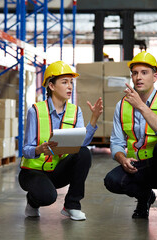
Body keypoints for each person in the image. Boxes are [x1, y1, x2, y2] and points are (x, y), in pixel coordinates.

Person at [103, 51, 157, 228]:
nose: (138, 77)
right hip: (138, 166)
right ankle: (145, 197)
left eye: (144, 72)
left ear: (155, 76)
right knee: (111, 181)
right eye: (135, 73)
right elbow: (116, 142)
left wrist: (141, 107)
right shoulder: (122, 105)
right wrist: (122, 158)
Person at [19, 60, 103, 221]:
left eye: (71, 82)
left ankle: (72, 205)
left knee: (84, 153)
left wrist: (93, 119)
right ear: (51, 85)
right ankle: (32, 201)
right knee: (47, 197)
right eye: (64, 82)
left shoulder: (75, 111)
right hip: (33, 172)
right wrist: (38, 149)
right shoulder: (35, 111)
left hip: (58, 170)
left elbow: (81, 144)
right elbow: (26, 150)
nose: (70, 86)